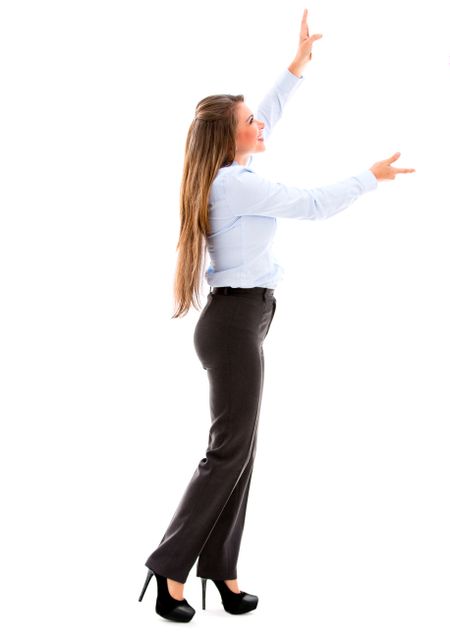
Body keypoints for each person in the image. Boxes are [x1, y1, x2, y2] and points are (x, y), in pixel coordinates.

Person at [138, 8, 416, 623]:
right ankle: (168, 570)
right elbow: (314, 204)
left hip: (245, 320)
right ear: (230, 137)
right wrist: (368, 178)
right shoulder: (235, 185)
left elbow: (267, 112)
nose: (259, 124)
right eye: (247, 122)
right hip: (235, 325)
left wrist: (294, 69)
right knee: (227, 451)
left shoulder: (231, 171)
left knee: (241, 448)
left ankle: (221, 570)